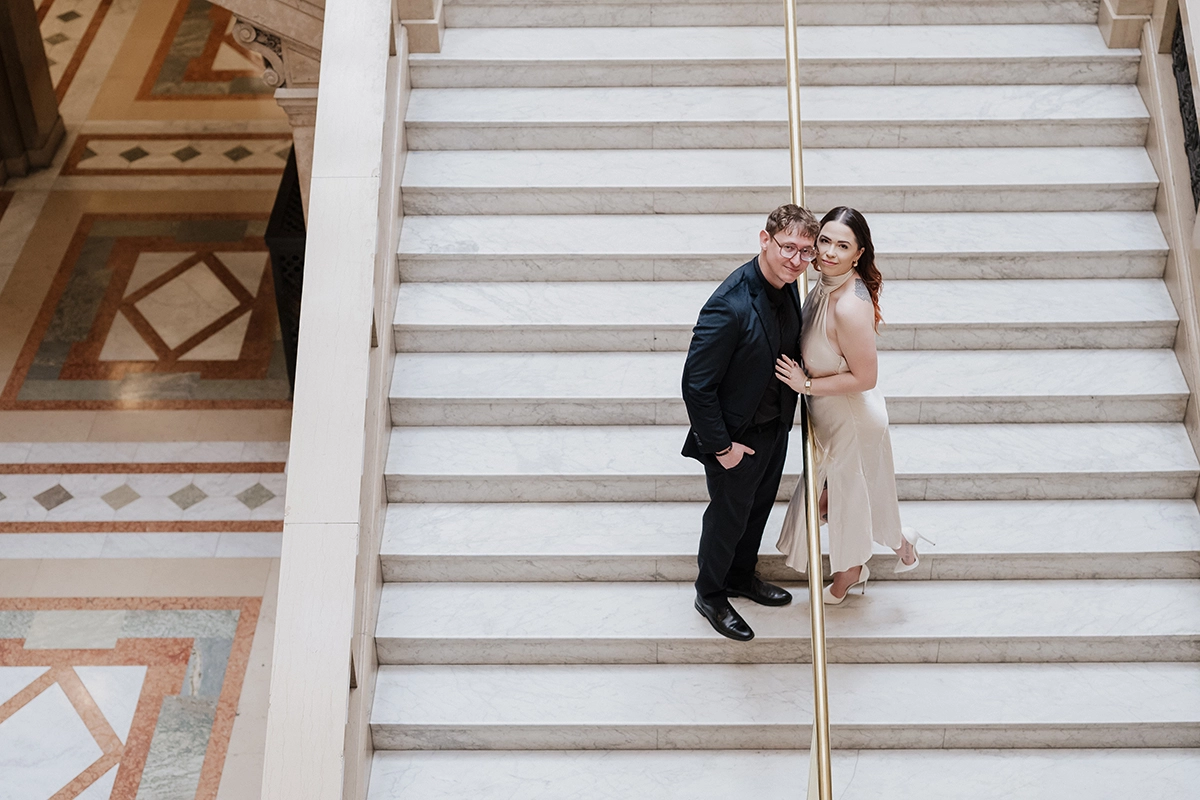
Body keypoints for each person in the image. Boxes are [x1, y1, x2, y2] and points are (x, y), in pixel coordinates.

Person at [774, 206, 928, 604]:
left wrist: (804, 383)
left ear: (858, 254)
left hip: (851, 418)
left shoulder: (848, 304)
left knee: (846, 503)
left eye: (843, 246)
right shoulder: (826, 283)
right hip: (833, 413)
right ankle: (902, 544)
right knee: (851, 496)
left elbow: (866, 377)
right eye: (824, 240)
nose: (828, 252)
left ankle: (848, 577)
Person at [681, 204, 820, 641]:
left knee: (755, 512)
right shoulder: (729, 304)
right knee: (726, 519)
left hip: (774, 426)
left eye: (806, 252)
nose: (796, 260)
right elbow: (695, 386)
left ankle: (741, 576)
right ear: (765, 240)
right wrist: (722, 449)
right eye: (788, 248)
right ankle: (711, 593)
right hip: (734, 438)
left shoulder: (788, 287)